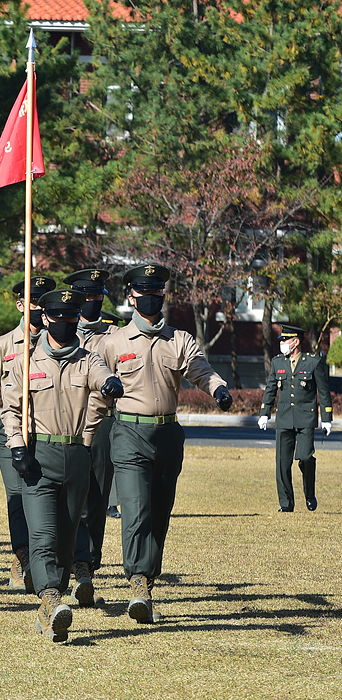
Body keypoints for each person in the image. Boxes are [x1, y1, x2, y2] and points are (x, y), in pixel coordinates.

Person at [98, 263, 230, 624]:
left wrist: (218, 388)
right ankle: (138, 582)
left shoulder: (179, 339)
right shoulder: (113, 343)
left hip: (168, 435)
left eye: (158, 294)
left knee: (159, 512)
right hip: (128, 433)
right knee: (136, 509)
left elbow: (200, 369)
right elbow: (95, 387)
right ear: (131, 297)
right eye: (145, 295)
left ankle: (148, 578)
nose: (152, 300)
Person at [2, 289, 123, 643]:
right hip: (37, 457)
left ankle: (51, 600)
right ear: (47, 319)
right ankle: (51, 598)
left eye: (73, 319)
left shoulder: (88, 359)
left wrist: (109, 385)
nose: (67, 325)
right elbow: (10, 408)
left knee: (68, 538)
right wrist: (17, 445)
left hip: (75, 456)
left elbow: (101, 379)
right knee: (42, 534)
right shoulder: (26, 360)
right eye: (61, 319)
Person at [0, 276, 56, 592]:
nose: (39, 308)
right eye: (33, 301)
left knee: (49, 500)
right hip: (13, 435)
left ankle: (47, 559)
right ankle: (23, 559)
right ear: (21, 305)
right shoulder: (1, 347)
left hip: (51, 433)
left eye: (44, 301)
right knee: (19, 499)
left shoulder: (63, 344)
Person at [63, 268, 118, 606]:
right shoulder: (58, 331)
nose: (93, 303)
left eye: (99, 297)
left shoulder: (113, 336)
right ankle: (66, 561)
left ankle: (87, 566)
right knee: (65, 499)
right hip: (63, 422)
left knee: (96, 501)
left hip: (101, 426)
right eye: (88, 298)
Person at [258, 325, 332, 512]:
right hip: (284, 418)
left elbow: (323, 392)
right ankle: (286, 504)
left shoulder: (313, 362)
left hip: (305, 418)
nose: (282, 343)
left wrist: (327, 418)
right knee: (282, 463)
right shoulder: (278, 363)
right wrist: (264, 412)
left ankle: (309, 493)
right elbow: (270, 389)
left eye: (285, 340)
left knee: (306, 457)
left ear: (296, 342)